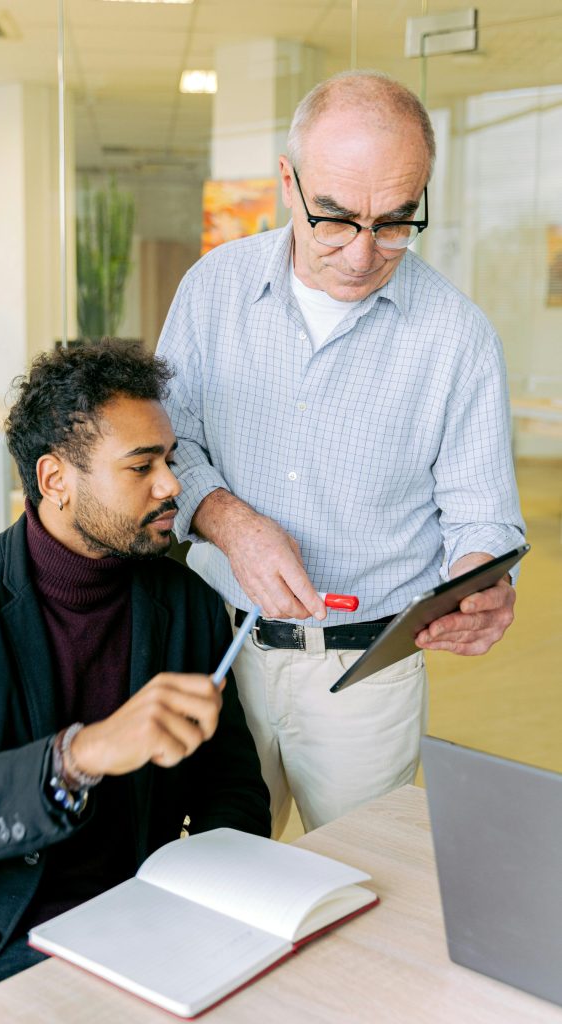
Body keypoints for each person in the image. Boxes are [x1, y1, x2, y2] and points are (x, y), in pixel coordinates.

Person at [157, 71, 526, 836]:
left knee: (362, 894)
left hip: (364, 677)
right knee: (216, 878)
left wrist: (478, 583)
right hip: (215, 648)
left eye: (394, 222)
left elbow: (480, 517)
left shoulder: (458, 339)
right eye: (334, 219)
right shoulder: (210, 290)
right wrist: (227, 518)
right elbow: (172, 444)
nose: (362, 254)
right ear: (287, 184)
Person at [0, 341, 270, 1021]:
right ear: (56, 479)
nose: (172, 485)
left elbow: (230, 790)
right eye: (140, 466)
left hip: (138, 938)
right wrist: (77, 757)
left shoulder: (188, 605)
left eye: (169, 459)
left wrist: (206, 908)